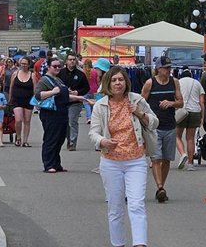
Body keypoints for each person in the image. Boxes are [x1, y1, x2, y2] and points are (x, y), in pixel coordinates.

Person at [88, 66, 157, 247]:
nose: (118, 83)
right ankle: (118, 243)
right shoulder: (100, 105)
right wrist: (103, 141)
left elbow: (154, 122)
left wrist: (140, 113)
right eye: (114, 80)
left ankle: (140, 244)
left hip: (136, 161)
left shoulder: (137, 100)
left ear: (126, 82)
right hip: (111, 162)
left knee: (136, 204)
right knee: (115, 208)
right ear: (108, 83)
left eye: (121, 80)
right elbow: (93, 132)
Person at [141, 56, 183, 203]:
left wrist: (171, 103)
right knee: (156, 158)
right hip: (154, 127)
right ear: (158, 69)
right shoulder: (150, 83)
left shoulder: (174, 82)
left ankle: (162, 187)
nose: (169, 70)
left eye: (170, 67)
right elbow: (141, 102)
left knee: (166, 159)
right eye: (166, 68)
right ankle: (159, 187)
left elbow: (181, 102)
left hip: (170, 125)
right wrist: (144, 119)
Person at [36, 57, 83, 172]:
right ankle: (48, 164)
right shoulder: (44, 80)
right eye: (55, 66)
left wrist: (78, 98)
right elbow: (38, 95)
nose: (57, 68)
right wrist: (53, 92)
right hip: (50, 114)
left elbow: (64, 96)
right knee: (51, 139)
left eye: (59, 66)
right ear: (48, 67)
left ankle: (56, 164)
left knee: (60, 139)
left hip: (61, 113)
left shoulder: (58, 80)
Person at [59, 53, 90, 151]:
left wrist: (77, 92)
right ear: (66, 61)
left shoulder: (80, 74)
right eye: (70, 59)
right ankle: (68, 140)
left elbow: (86, 88)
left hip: (75, 102)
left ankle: (73, 142)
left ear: (76, 61)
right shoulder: (61, 72)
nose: (72, 61)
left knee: (72, 121)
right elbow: (55, 85)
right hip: (63, 101)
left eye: (74, 59)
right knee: (66, 122)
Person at [176, 69, 204, 171]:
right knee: (190, 138)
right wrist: (202, 116)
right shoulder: (197, 83)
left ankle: (183, 154)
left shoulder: (178, 82)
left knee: (177, 135)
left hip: (181, 111)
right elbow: (201, 101)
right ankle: (191, 164)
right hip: (195, 112)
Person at [9, 57, 37, 147]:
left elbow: (35, 89)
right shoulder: (15, 74)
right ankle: (18, 137)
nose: (23, 65)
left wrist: (35, 101)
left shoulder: (32, 75)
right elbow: (11, 87)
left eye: (25, 64)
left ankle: (25, 141)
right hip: (17, 100)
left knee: (27, 121)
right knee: (18, 119)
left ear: (29, 65)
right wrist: (9, 99)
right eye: (22, 63)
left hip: (28, 100)